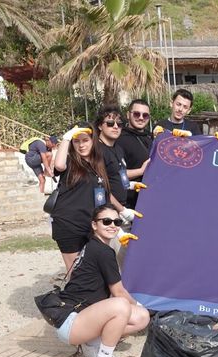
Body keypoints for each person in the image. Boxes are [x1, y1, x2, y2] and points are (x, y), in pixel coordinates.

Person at [54, 204, 150, 357]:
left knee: (141, 318)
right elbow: (119, 292)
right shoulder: (102, 252)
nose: (113, 225)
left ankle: (91, 344)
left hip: (77, 318)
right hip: (71, 324)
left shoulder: (92, 245)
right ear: (94, 225)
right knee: (121, 305)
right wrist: (142, 305)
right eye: (106, 221)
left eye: (117, 221)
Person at [51, 123, 112, 271]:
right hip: (69, 226)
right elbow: (59, 165)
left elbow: (104, 195)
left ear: (93, 141)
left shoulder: (97, 164)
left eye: (85, 140)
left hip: (91, 226)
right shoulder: (70, 161)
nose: (81, 145)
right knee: (76, 274)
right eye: (76, 141)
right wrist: (66, 137)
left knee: (95, 271)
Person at [94, 105, 137, 223]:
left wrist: (131, 185)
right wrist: (122, 210)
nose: (115, 127)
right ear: (99, 126)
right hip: (108, 213)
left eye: (119, 124)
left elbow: (119, 175)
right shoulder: (97, 151)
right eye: (110, 123)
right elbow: (100, 187)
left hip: (122, 208)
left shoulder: (118, 148)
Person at [118, 99, 153, 209]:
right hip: (130, 203)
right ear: (128, 115)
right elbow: (114, 174)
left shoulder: (150, 138)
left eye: (145, 115)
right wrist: (140, 171)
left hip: (151, 199)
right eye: (137, 114)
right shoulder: (119, 139)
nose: (141, 118)